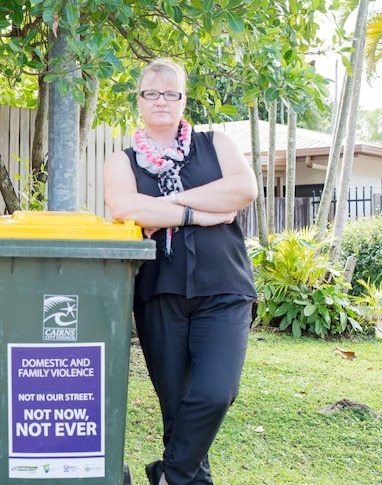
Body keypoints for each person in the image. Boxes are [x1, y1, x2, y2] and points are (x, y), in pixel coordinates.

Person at [104, 58, 258, 485]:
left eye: (171, 93)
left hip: (225, 289)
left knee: (215, 392)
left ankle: (168, 475)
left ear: (183, 100)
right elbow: (125, 208)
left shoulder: (216, 144)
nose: (161, 101)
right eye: (151, 93)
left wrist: (171, 205)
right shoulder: (123, 161)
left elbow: (244, 190)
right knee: (177, 407)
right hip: (159, 294)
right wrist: (200, 213)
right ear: (139, 101)